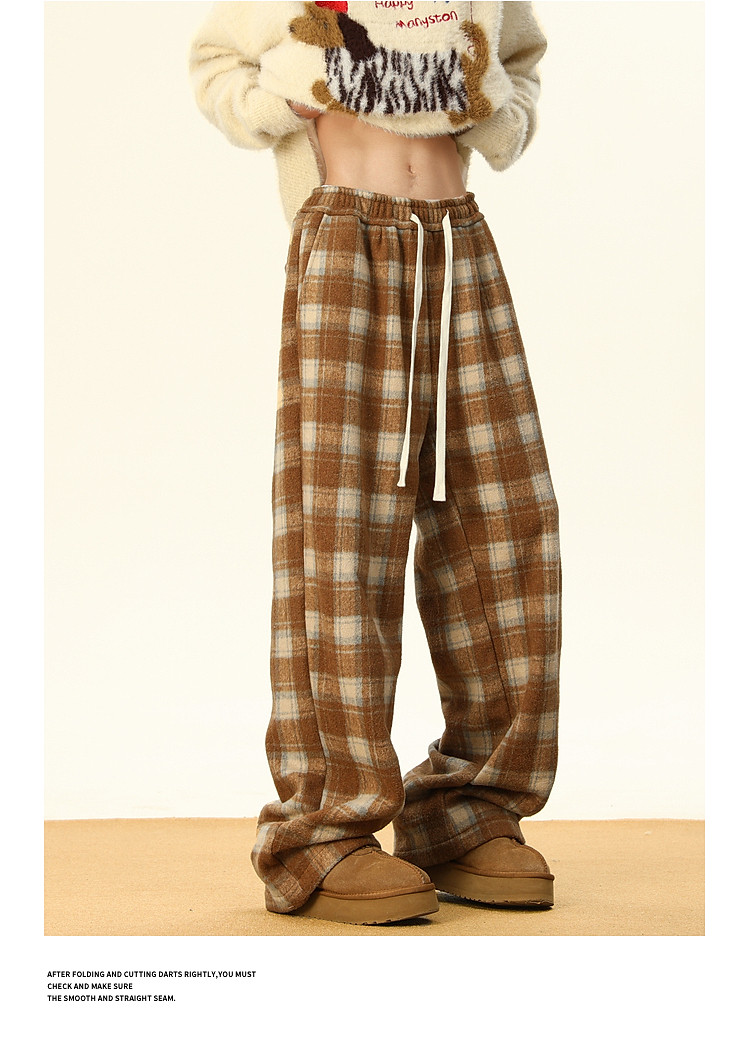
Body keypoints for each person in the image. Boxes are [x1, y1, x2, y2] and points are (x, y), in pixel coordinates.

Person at [189, 0, 561, 926]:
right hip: (345, 242)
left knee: (504, 522)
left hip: (460, 240)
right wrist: (286, 103)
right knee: (342, 533)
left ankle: (470, 807)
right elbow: (216, 63)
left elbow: (520, 59)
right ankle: (323, 827)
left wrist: (497, 109)